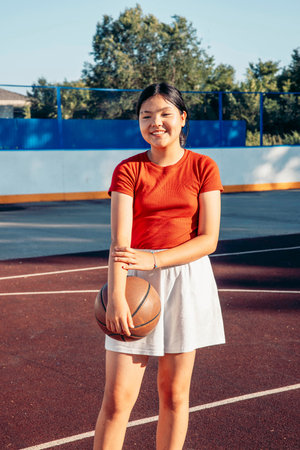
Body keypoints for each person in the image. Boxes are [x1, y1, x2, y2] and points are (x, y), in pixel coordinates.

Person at [93, 82, 225, 450]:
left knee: (174, 396)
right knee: (117, 400)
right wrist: (117, 295)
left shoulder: (203, 167)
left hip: (186, 280)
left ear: (182, 119)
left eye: (165, 114)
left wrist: (157, 258)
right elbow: (120, 241)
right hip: (135, 282)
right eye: (146, 115)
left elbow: (208, 239)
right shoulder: (128, 169)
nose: (156, 123)